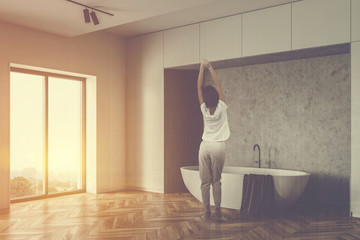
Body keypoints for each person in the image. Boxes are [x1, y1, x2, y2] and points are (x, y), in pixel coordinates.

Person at [197, 59, 230, 221]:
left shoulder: (204, 108)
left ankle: (206, 213)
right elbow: (219, 85)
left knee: (205, 182)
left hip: (204, 146)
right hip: (218, 146)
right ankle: (217, 212)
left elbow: (198, 87)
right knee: (216, 180)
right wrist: (210, 67)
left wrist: (201, 68)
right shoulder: (222, 106)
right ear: (216, 96)